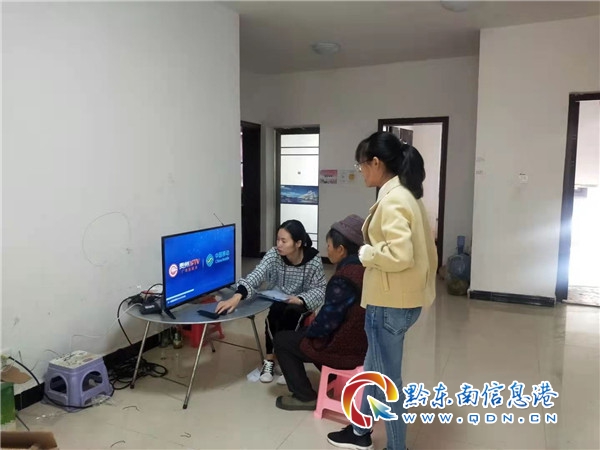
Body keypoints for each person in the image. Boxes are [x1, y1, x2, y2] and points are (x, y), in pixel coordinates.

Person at [327, 132, 438, 450]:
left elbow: (400, 255)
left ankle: (397, 446)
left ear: (375, 163)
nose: (361, 171)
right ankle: (360, 431)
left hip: (388, 304)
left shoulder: (394, 201)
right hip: (400, 299)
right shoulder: (407, 195)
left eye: (361, 164)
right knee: (374, 369)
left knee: (387, 381)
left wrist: (366, 254)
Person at [272, 215, 368, 411]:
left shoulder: (344, 278)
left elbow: (326, 324)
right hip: (363, 342)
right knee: (304, 330)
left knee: (283, 340)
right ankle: (331, 378)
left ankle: (304, 396)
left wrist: (310, 330)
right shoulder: (365, 268)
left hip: (345, 348)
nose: (327, 250)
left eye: (329, 246)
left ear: (341, 249)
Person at [216, 219, 326, 383]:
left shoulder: (313, 259)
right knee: (274, 315)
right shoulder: (274, 255)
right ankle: (269, 360)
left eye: (284, 241)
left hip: (300, 301)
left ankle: (288, 363)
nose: (279, 244)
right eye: (277, 239)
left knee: (292, 315)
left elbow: (320, 288)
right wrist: (237, 296)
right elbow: (257, 274)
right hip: (278, 297)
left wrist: (301, 299)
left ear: (298, 243)